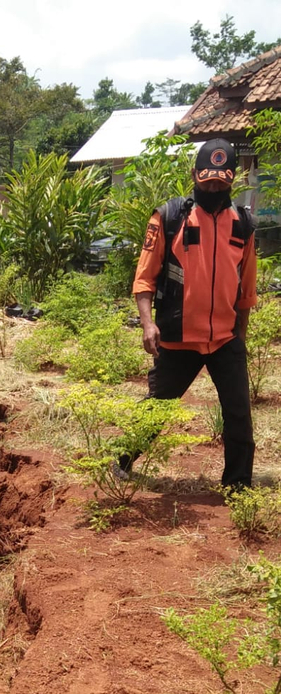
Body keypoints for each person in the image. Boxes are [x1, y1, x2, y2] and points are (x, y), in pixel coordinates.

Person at [131, 137, 257, 489]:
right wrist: (147, 324)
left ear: (233, 179)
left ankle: (238, 486)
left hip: (225, 340)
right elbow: (144, 279)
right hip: (179, 338)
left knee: (238, 418)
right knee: (156, 409)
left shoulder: (242, 224)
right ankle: (121, 460)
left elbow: (246, 291)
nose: (214, 187)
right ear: (194, 175)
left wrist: (240, 338)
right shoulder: (170, 217)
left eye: (221, 181)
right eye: (208, 180)